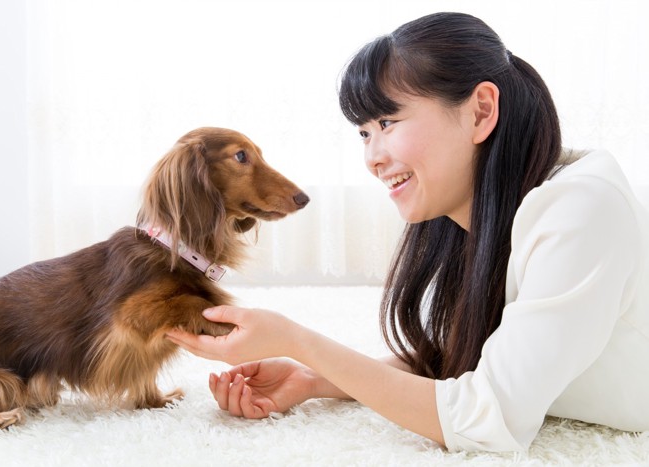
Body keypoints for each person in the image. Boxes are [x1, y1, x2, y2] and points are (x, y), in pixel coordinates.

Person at [166, 12, 649, 452]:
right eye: (364, 132)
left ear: (481, 111)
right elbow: (465, 363)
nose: (372, 156)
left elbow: (488, 418)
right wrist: (314, 379)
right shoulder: (475, 212)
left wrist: (296, 340)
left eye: (388, 121)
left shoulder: (581, 211)